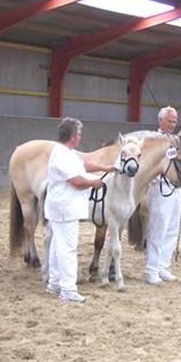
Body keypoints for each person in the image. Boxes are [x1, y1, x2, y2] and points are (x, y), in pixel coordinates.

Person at [44, 117, 116, 303]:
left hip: (62, 206)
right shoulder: (61, 154)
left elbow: (83, 165)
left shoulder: (66, 153)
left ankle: (54, 283)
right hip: (64, 207)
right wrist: (95, 183)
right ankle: (68, 289)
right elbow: (76, 182)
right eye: (79, 134)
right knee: (67, 248)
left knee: (56, 246)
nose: (80, 137)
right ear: (74, 137)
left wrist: (104, 167)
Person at [145, 106, 181, 285]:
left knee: (172, 228)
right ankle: (152, 269)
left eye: (174, 121)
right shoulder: (153, 140)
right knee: (158, 228)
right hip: (160, 186)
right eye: (170, 121)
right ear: (161, 121)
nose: (172, 125)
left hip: (176, 187)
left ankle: (163, 266)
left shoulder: (176, 140)